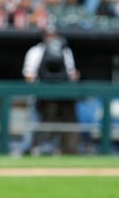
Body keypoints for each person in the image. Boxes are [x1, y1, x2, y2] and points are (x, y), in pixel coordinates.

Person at [19, 26, 80, 155]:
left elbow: (71, 73)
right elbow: (29, 75)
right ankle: (33, 148)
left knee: (68, 118)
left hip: (63, 94)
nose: (52, 38)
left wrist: (73, 76)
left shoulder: (65, 51)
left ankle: (65, 150)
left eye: (54, 35)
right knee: (44, 119)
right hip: (42, 94)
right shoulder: (36, 51)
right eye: (49, 35)